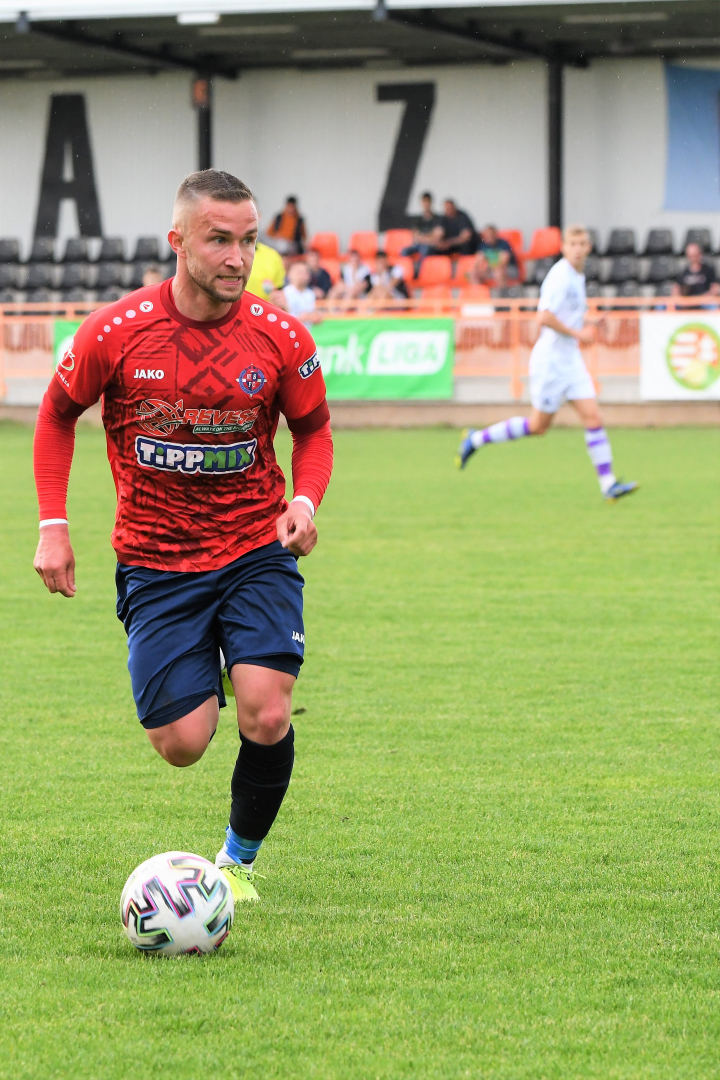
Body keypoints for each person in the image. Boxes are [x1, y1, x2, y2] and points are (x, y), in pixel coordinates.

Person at [33, 169, 334, 905]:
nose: (238, 258)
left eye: (249, 241)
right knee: (182, 744)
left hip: (254, 547)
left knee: (267, 708)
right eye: (220, 240)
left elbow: (314, 430)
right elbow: (56, 415)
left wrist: (303, 501)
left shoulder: (280, 334)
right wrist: (53, 525)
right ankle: (214, 660)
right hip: (156, 559)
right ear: (178, 241)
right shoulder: (116, 330)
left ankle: (236, 864)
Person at [456, 225, 638, 502]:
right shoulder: (560, 276)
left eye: (582, 244)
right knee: (537, 427)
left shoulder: (577, 276)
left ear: (589, 248)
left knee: (593, 417)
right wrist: (579, 334)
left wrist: (587, 324)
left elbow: (565, 316)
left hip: (570, 360)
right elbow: (543, 317)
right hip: (551, 361)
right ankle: (475, 439)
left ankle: (608, 484)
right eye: (572, 244)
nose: (577, 249)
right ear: (563, 248)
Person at [401, 192, 443, 261]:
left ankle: (422, 268)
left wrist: (422, 237)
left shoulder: (437, 218)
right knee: (404, 251)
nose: (425, 204)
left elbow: (437, 237)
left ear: (431, 202)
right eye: (424, 201)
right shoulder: (417, 219)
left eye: (427, 201)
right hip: (419, 245)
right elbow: (415, 235)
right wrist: (429, 236)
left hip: (430, 246)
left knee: (425, 250)